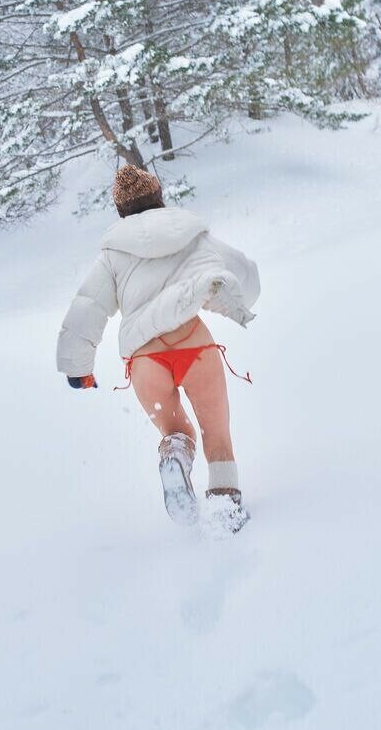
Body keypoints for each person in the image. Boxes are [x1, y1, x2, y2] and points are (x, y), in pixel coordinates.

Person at [56, 165, 260, 531]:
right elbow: (242, 273)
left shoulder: (112, 254)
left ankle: (176, 458)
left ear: (121, 210)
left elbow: (88, 308)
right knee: (217, 435)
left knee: (177, 432)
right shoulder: (192, 234)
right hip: (195, 348)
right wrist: (244, 298)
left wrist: (78, 369)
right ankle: (225, 512)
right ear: (159, 196)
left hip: (146, 361)